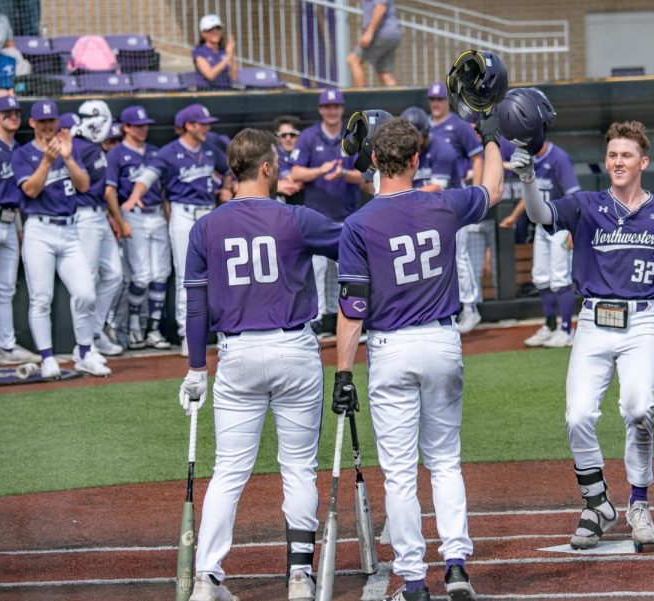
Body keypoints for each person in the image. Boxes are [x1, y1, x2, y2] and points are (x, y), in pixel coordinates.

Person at [333, 112, 504, 601]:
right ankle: (455, 565)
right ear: (415, 159)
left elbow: (353, 306)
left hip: (389, 348)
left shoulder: (358, 223)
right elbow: (491, 188)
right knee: (445, 461)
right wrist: (491, 137)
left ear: (372, 161)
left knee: (400, 473)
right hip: (442, 341)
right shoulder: (443, 204)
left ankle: (413, 578)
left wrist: (343, 373)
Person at [518, 120, 654, 550]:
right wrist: (528, 179)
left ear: (644, 162)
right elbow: (540, 215)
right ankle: (597, 503)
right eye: (612, 155)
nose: (618, 162)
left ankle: (638, 502)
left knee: (639, 409)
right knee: (578, 416)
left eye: (626, 155)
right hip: (592, 322)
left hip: (641, 322)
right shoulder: (585, 204)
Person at [180, 128, 341, 601]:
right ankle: (299, 575)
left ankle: (208, 578)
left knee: (229, 469)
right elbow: (353, 241)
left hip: (237, 355)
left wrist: (194, 369)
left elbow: (195, 307)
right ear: (267, 168)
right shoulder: (295, 217)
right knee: (297, 468)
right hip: (294, 350)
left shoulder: (205, 226)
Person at [12, 99, 109, 378]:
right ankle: (47, 358)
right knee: (41, 298)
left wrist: (67, 158)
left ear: (57, 122)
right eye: (41, 121)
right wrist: (47, 160)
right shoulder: (22, 154)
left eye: (51, 121)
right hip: (39, 229)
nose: (47, 126)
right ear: (31, 123)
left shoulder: (70, 148)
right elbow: (30, 190)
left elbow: (84, 185)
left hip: (68, 229)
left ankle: (84, 352)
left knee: (86, 293)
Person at [127, 103, 232, 357]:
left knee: (219, 274)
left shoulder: (210, 149)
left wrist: (227, 188)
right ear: (189, 125)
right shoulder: (169, 152)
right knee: (188, 276)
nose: (207, 127)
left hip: (209, 212)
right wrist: (133, 197)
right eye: (202, 123)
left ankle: (222, 332)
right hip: (183, 214)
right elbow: (147, 178)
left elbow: (229, 170)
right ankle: (189, 335)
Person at [498, 88, 580, 348]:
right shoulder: (529, 158)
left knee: (559, 278)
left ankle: (567, 329)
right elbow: (531, 193)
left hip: (559, 226)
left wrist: (572, 231)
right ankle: (550, 325)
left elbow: (574, 196)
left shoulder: (558, 158)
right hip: (541, 227)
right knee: (541, 277)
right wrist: (513, 216)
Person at [288, 88, 363, 336]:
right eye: (328, 107)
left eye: (336, 106)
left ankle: (343, 314)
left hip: (347, 214)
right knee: (318, 269)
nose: (332, 111)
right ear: (321, 109)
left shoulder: (351, 135)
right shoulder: (310, 136)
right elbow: (296, 173)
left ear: (342, 108)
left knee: (345, 270)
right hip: (317, 216)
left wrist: (342, 173)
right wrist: (320, 170)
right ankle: (318, 318)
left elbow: (365, 177)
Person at [0, 95, 39, 366]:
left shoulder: (19, 148)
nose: (13, 116)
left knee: (4, 289)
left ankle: (7, 347)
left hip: (10, 220)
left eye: (16, 112)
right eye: (7, 112)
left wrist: (20, 228)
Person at [105, 105, 172, 350]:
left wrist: (167, 218)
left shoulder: (155, 152)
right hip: (133, 214)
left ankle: (152, 329)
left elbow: (163, 191)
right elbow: (109, 190)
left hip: (156, 213)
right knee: (141, 275)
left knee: (160, 273)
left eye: (145, 125)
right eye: (137, 125)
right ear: (126, 127)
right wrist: (120, 220)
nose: (143, 129)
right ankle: (134, 326)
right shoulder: (116, 153)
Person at [62, 102, 125, 358]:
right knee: (85, 282)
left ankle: (95, 334)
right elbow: (81, 186)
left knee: (114, 275)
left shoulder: (94, 146)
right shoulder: (76, 145)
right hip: (84, 216)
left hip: (99, 215)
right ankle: (83, 346)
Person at [427, 81, 485, 333]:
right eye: (432, 99)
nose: (436, 104)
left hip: (453, 198)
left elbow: (477, 157)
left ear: (447, 102)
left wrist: (478, 193)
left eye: (440, 99)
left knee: (459, 255)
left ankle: (470, 308)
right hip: (428, 204)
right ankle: (444, 310)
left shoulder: (458, 125)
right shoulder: (424, 127)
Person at [346, 0, 402, 88]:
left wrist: (369, 32)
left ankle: (360, 99)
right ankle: (397, 100)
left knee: (353, 60)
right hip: (391, 33)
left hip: (381, 33)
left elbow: (380, 8)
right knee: (384, 73)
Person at [193, 13, 237, 90]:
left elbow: (234, 76)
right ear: (203, 33)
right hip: (208, 94)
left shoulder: (223, 51)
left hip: (226, 92)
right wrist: (227, 58)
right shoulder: (199, 51)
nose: (215, 32)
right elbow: (210, 75)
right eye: (211, 30)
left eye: (218, 28)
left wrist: (232, 55)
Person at [273, 115, 304, 205]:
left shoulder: (307, 153)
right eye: (283, 135)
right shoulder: (270, 155)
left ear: (299, 135)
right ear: (277, 137)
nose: (288, 138)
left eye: (292, 134)